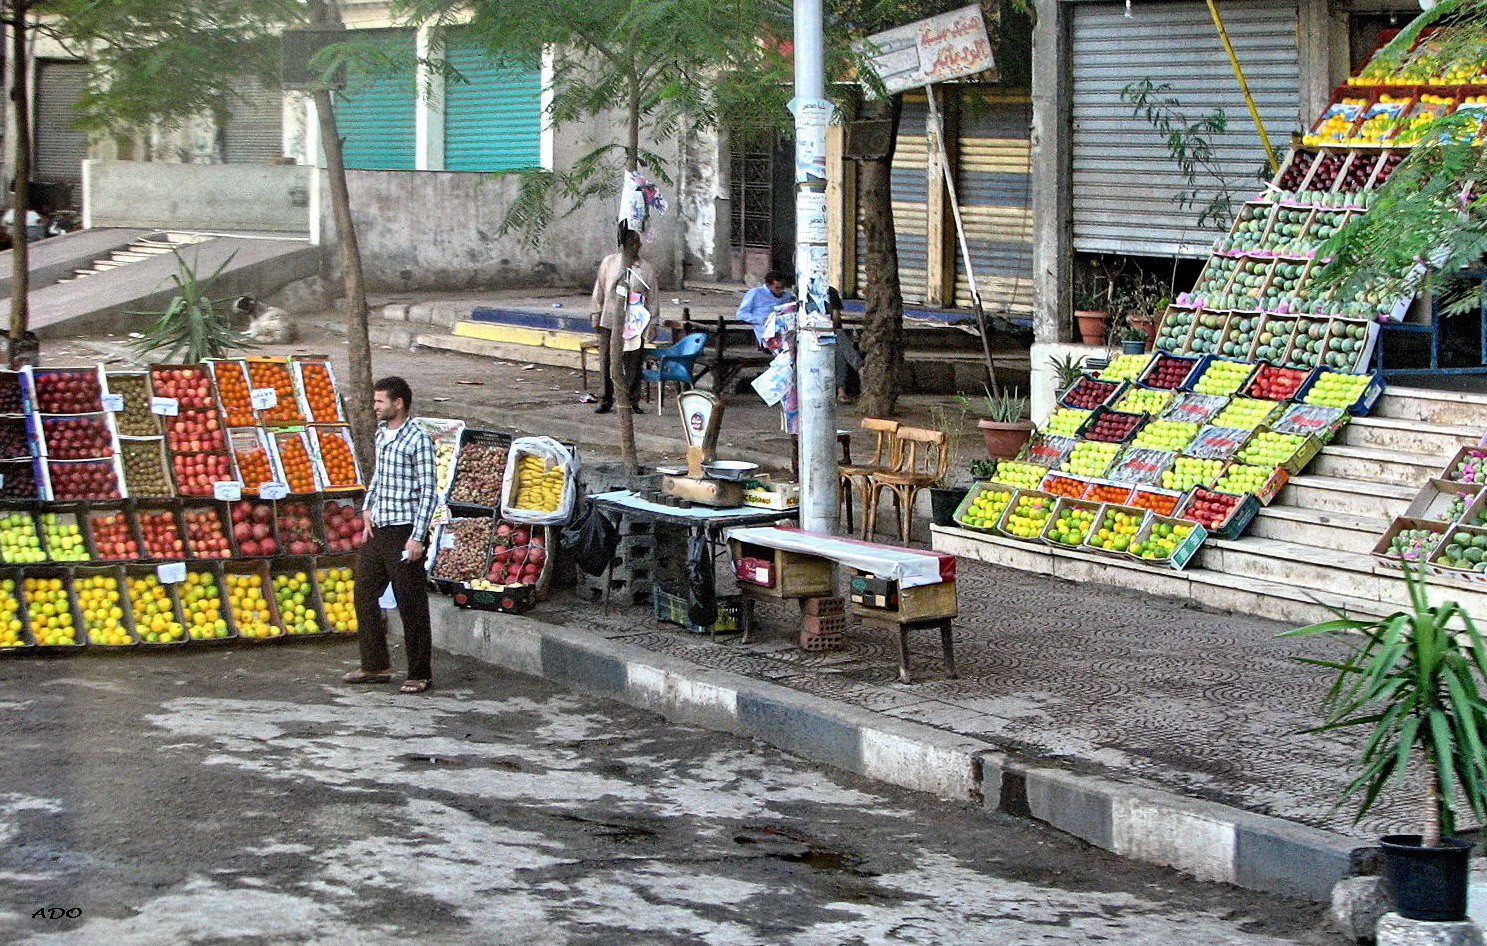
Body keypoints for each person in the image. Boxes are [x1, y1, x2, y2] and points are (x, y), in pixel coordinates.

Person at [344, 376, 438, 694]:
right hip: (378, 528)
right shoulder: (382, 433)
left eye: (380, 401)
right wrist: (367, 508)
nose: (375, 407)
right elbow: (379, 478)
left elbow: (429, 493)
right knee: (363, 594)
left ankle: (419, 673)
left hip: (403, 532)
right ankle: (375, 665)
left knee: (410, 602)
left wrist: (418, 537)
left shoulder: (418, 440)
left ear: (398, 403)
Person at [589, 228, 660, 414]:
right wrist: (595, 313)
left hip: (635, 322)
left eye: (638, 243)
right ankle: (605, 398)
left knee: (633, 361)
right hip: (610, 319)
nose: (637, 247)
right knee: (607, 359)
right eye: (632, 243)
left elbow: (652, 296)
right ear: (624, 245)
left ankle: (631, 399)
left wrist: (653, 323)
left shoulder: (646, 268)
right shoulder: (609, 263)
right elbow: (600, 290)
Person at [735, 271, 794, 347]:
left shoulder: (787, 296)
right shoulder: (755, 293)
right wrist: (762, 320)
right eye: (777, 288)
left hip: (785, 331)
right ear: (768, 285)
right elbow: (741, 314)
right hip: (768, 336)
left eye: (782, 287)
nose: (781, 291)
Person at [828, 286, 861, 405]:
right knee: (839, 337)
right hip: (808, 334)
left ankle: (841, 390)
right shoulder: (801, 292)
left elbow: (836, 320)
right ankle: (859, 368)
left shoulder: (831, 292)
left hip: (829, 333)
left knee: (839, 349)